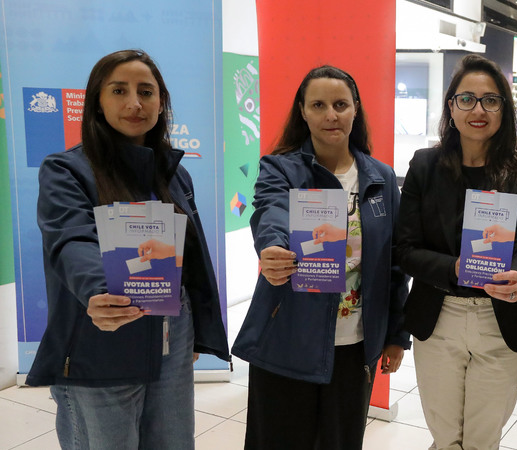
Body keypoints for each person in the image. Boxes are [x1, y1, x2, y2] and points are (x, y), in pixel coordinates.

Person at [29, 49, 230, 449]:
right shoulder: (67, 169)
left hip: (172, 336)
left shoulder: (174, 172)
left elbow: (191, 260)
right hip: (102, 332)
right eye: (119, 90)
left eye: (146, 92)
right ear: (97, 103)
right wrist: (101, 290)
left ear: (161, 103)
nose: (135, 103)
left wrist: (193, 334)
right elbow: (71, 239)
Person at [231, 65, 409, 449]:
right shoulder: (280, 168)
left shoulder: (380, 178)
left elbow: (394, 266)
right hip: (289, 338)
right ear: (303, 110)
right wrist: (273, 246)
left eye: (341, 104)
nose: (331, 114)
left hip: (355, 344)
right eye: (319, 104)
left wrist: (396, 334)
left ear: (355, 109)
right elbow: (270, 210)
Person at [396, 54, 517, 450]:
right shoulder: (424, 166)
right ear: (451, 106)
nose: (478, 110)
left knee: (483, 440)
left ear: (504, 108)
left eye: (490, 100)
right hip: (439, 314)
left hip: (501, 317)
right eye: (467, 99)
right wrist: (457, 268)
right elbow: (405, 249)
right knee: (446, 437)